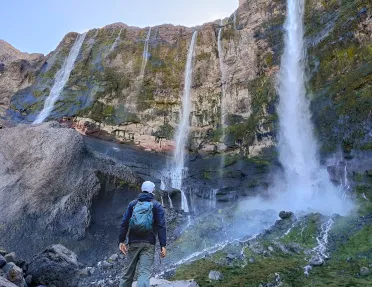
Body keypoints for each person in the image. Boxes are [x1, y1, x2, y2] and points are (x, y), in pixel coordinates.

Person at [118, 181, 167, 287]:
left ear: (142, 189)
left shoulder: (133, 204)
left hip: (133, 242)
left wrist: (121, 241)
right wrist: (163, 245)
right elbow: (161, 226)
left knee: (127, 273)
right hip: (148, 243)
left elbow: (124, 223)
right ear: (152, 191)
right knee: (144, 273)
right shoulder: (157, 205)